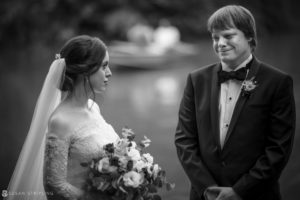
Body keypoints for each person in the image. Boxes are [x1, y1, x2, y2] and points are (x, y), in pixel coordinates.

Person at [175, 5, 295, 200]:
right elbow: (184, 140)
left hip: (256, 195)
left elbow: (278, 149)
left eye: (228, 36)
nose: (220, 43)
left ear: (249, 36)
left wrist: (240, 191)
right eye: (215, 37)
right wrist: (207, 188)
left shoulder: (277, 82)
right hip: (205, 195)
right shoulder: (196, 80)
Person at [6, 35, 119, 200]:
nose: (109, 73)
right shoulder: (60, 121)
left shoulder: (93, 107)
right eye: (104, 66)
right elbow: (54, 185)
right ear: (85, 70)